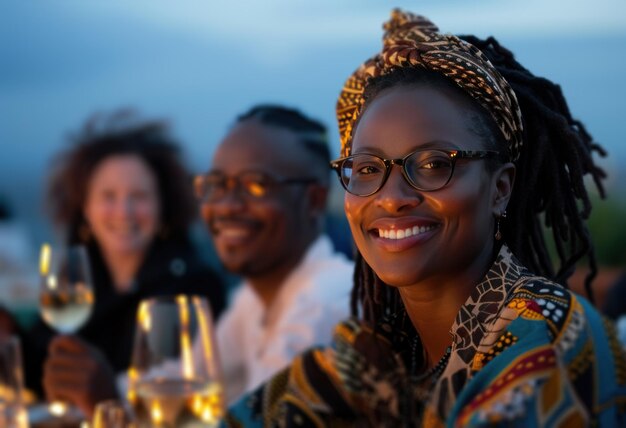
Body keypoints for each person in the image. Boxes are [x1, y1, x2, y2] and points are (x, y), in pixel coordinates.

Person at [225, 11, 626, 427]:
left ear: (500, 188)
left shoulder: (542, 344)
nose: (392, 197)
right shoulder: (380, 360)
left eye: (435, 164)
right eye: (366, 169)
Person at [19, 111, 227, 416]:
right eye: (108, 196)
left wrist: (106, 397)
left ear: (162, 208)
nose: (124, 211)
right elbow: (44, 368)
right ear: (86, 208)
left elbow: (175, 404)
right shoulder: (81, 280)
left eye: (139, 196)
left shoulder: (193, 286)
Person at [195, 105, 354, 402]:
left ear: (315, 200)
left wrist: (106, 399)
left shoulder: (325, 306)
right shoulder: (254, 298)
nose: (227, 205)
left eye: (256, 184)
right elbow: (188, 379)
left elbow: (259, 418)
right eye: (216, 185)